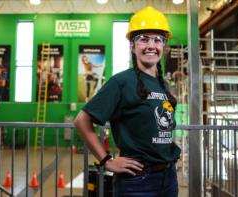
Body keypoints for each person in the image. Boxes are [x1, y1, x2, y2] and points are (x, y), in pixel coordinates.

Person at [74, 6, 181, 197]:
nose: (151, 45)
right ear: (132, 46)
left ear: (163, 46)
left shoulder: (162, 84)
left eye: (158, 40)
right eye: (144, 39)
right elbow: (82, 120)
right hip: (138, 182)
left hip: (169, 177)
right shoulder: (121, 82)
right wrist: (106, 160)